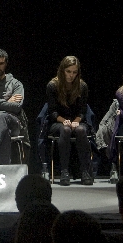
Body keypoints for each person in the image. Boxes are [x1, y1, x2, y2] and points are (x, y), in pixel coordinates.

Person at [45, 56, 92, 186]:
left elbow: (82, 111)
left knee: (81, 130)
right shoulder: (53, 85)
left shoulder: (82, 86)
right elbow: (52, 112)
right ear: (62, 70)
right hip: (58, 122)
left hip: (77, 121)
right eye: (68, 71)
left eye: (74, 72)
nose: (71, 75)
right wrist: (64, 121)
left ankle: (85, 171)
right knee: (65, 130)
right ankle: (64, 171)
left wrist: (76, 121)